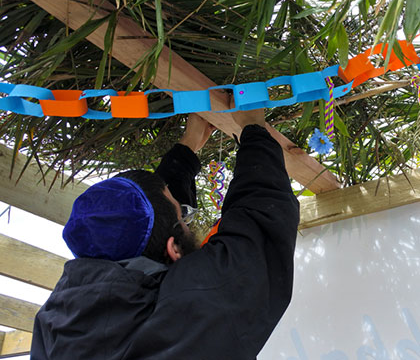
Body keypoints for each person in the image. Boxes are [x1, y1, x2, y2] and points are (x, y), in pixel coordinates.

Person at [30, 108, 300, 360]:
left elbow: (150, 224)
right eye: (183, 218)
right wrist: (253, 127)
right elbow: (261, 221)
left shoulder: (55, 322)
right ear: (174, 249)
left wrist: (187, 148)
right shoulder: (190, 311)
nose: (185, 217)